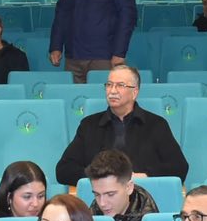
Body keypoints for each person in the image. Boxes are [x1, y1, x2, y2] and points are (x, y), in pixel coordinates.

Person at [54, 65, 187, 186]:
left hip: (142, 193)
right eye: (109, 85)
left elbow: (179, 167)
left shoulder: (156, 124)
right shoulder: (89, 125)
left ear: (135, 92)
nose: (112, 91)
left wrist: (146, 176)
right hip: (100, 197)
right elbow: (64, 170)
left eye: (120, 85)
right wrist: (101, 177)